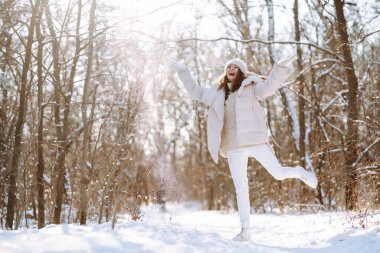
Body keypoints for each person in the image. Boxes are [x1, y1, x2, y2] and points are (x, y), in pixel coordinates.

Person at [169, 56, 318, 242]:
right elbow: (196, 92)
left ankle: (298, 172)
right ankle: (245, 231)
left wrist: (280, 66)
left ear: (241, 71)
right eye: (228, 66)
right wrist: (182, 70)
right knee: (241, 189)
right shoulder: (217, 92)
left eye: (235, 67)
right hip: (233, 148)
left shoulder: (251, 87)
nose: (231, 68)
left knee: (279, 174)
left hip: (255, 142)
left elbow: (269, 87)